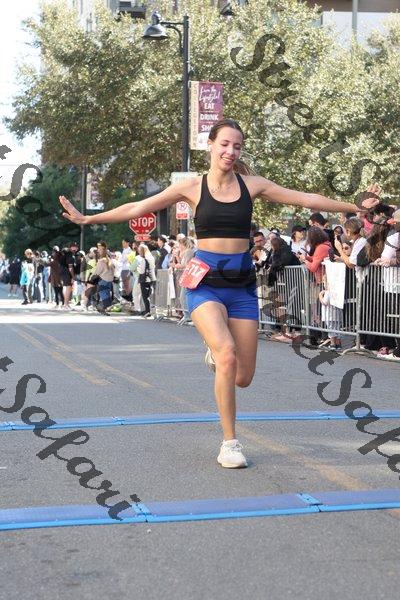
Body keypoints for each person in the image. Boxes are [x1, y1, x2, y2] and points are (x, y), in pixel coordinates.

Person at [59, 117, 368, 469]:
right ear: (210, 144)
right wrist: (88, 219)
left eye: (237, 146)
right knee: (227, 353)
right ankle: (230, 442)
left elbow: (305, 198)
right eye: (224, 144)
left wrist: (353, 208)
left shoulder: (252, 185)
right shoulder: (191, 187)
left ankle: (217, 353)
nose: (230, 151)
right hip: (205, 282)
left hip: (242, 286)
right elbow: (138, 207)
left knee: (243, 377)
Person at [93, 241, 115, 312]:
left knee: (103, 293)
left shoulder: (101, 260)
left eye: (99, 248)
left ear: (103, 249)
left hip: (103, 279)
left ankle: (106, 307)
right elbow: (113, 269)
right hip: (109, 279)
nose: (98, 250)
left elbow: (98, 271)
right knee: (107, 293)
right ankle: (109, 306)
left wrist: (92, 277)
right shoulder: (109, 259)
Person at [137, 244, 156, 317]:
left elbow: (141, 271)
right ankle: (151, 310)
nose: (139, 252)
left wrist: (138, 268)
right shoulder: (151, 258)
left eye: (139, 250)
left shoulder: (144, 260)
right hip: (152, 278)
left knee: (145, 296)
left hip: (144, 279)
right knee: (150, 295)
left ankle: (147, 311)